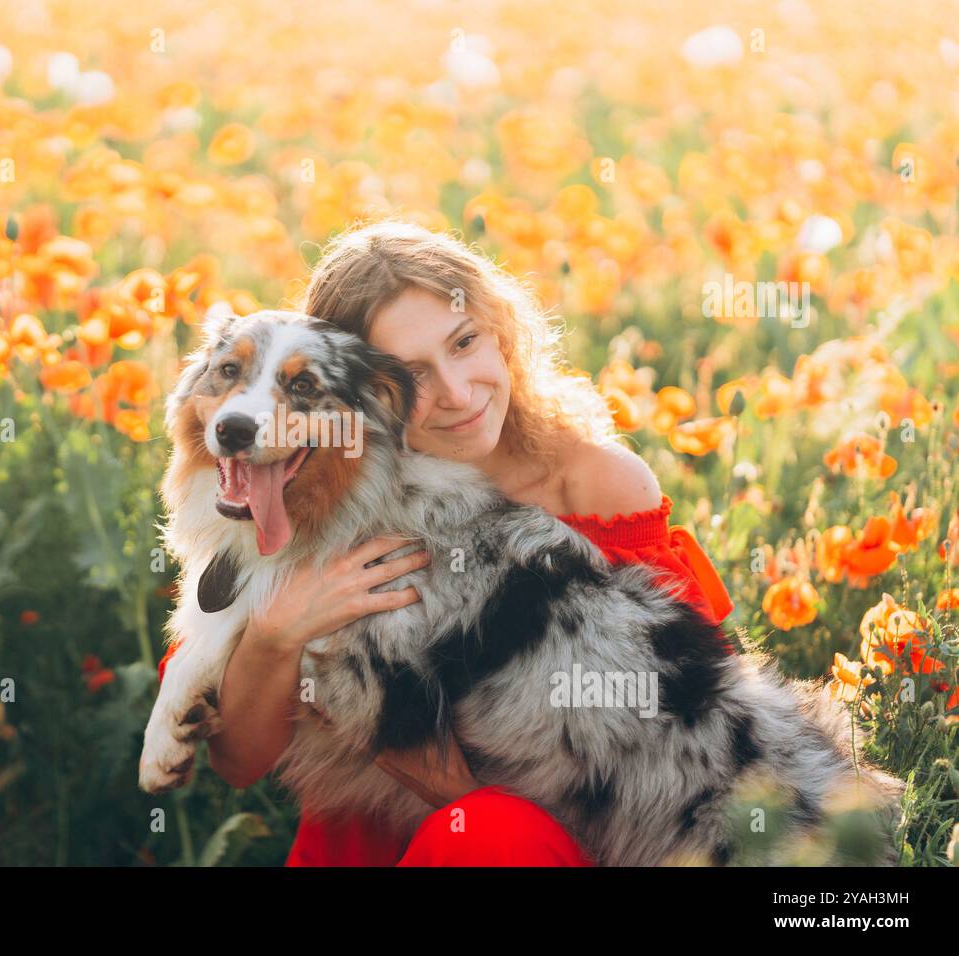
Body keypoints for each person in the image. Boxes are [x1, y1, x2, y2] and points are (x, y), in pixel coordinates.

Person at [156, 219, 735, 866]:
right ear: (368, 393)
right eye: (414, 374)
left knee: (489, 838)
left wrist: (461, 798)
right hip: (371, 844)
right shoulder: (311, 493)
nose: (458, 394)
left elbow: (694, 727)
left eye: (465, 342)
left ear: (502, 333)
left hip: (576, 838)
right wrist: (273, 633)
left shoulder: (599, 483)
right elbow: (238, 761)